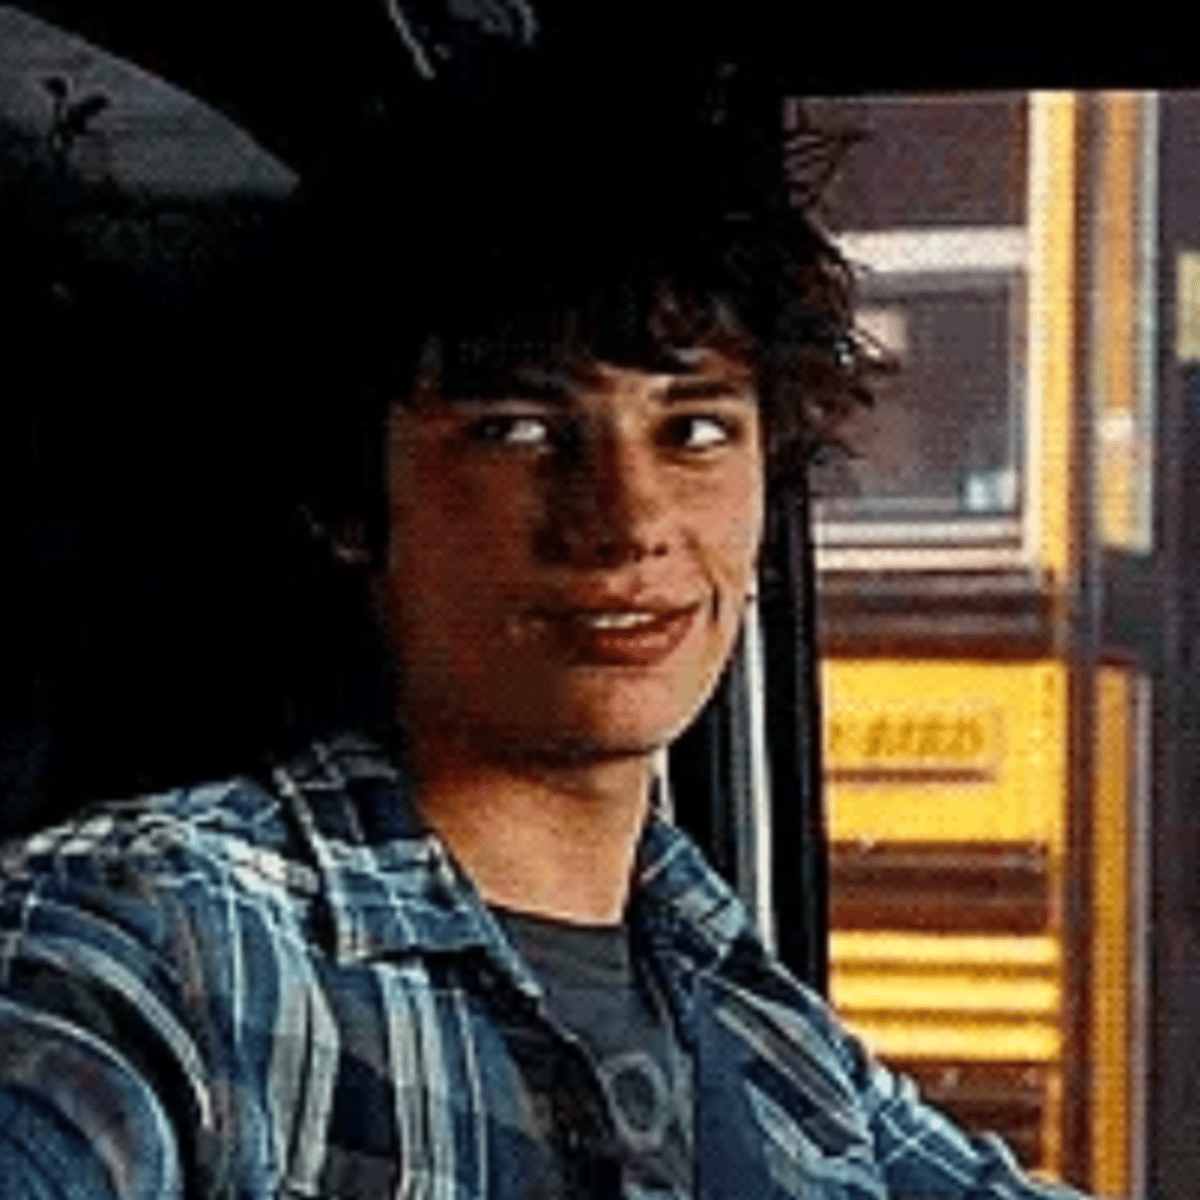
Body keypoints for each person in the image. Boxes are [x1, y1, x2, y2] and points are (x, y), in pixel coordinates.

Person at [0, 29, 1091, 1200]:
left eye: (695, 431)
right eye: (519, 432)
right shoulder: (151, 944)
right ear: (350, 500)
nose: (626, 522)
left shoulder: (768, 1041)